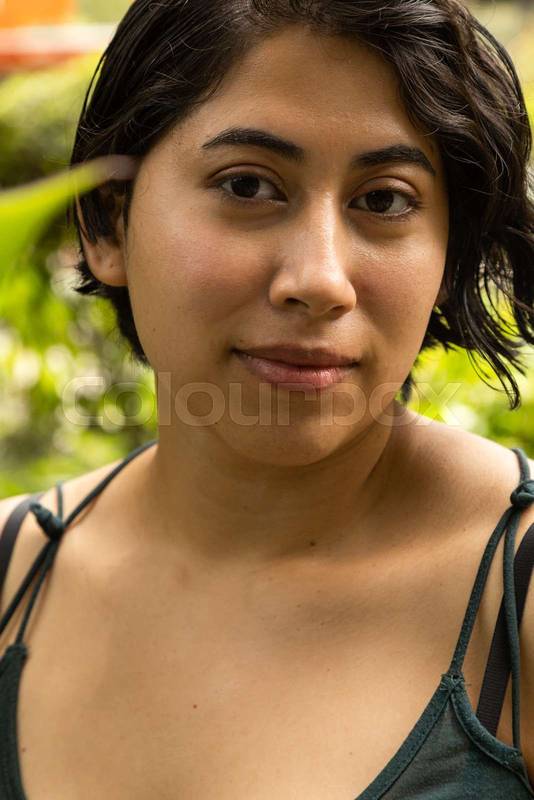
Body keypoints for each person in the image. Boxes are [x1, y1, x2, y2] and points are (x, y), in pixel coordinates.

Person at [1, 0, 534, 797]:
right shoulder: (13, 577)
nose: (319, 280)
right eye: (248, 185)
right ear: (107, 226)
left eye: (384, 199)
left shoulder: (515, 601)